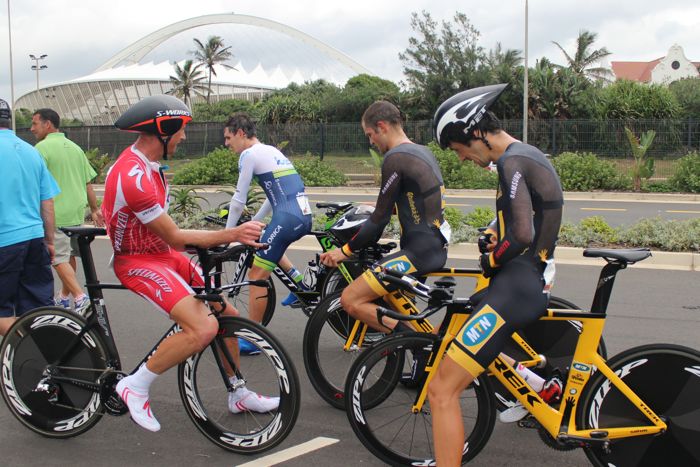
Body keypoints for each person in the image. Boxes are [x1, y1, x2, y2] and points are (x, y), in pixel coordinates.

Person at [102, 95, 278, 433]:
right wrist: (233, 234)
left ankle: (238, 392)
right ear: (163, 130)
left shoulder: (152, 169)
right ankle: (134, 386)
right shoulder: (133, 176)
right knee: (203, 327)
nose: (184, 137)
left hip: (163, 255)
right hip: (138, 261)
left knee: (227, 316)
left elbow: (169, 239)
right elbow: (177, 238)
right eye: (180, 130)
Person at [429, 83, 564, 465]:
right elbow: (525, 212)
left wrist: (493, 260)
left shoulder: (510, 162)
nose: (461, 159)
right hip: (526, 280)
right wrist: (493, 229)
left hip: (518, 285)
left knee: (442, 391)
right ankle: (533, 385)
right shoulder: (525, 155)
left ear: (475, 132)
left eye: (459, 149)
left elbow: (521, 234)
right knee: (470, 313)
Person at [319, 100, 450, 335]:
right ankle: (418, 344)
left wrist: (345, 251)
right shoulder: (422, 151)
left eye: (370, 134)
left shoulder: (395, 157)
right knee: (394, 307)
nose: (370, 141)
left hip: (418, 254)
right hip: (434, 246)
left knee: (351, 299)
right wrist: (385, 207)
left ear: (381, 126)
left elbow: (377, 221)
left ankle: (414, 344)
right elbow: (417, 203)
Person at [223, 113, 313, 323]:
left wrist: (227, 236)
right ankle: (300, 285)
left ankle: (255, 337)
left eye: (228, 138)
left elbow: (238, 200)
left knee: (256, 277)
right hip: (301, 215)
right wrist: (255, 219)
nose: (227, 143)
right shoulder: (271, 151)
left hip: (288, 218)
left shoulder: (248, 155)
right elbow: (274, 196)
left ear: (240, 133)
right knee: (266, 240)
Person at [31, 108, 104, 315]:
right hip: (75, 212)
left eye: (35, 123)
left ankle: (80, 298)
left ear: (48, 124)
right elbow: (88, 181)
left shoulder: (41, 149)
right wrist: (95, 209)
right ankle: (64, 297)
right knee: (69, 254)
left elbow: (36, 183)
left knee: (57, 258)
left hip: (56, 213)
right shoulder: (75, 148)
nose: (32, 128)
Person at [0, 98, 60, 335]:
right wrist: (50, 241)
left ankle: (27, 346)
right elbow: (47, 202)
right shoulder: (30, 152)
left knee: (3, 313)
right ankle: (48, 358)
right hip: (34, 239)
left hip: (4, 241)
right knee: (37, 309)